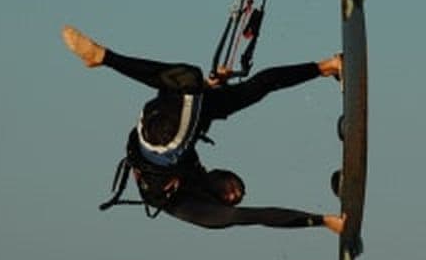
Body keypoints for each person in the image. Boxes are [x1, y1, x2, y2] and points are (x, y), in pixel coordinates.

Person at [61, 25, 345, 234]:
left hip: (163, 140)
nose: (234, 195)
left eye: (231, 196)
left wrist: (203, 89)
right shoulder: (192, 162)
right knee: (257, 86)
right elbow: (255, 215)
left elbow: (251, 216)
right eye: (238, 194)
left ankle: (103, 57)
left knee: (188, 79)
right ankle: (328, 67)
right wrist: (323, 220)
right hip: (165, 129)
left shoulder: (196, 209)